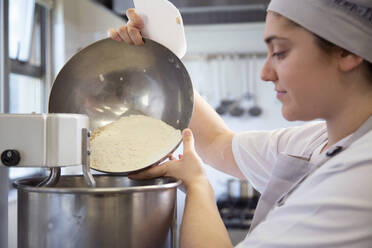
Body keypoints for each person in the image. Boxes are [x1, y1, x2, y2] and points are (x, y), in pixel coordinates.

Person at [108, 0, 372, 247]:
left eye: (279, 52)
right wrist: (162, 59)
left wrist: (197, 185)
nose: (265, 73)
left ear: (347, 52)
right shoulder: (315, 141)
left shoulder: (360, 177)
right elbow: (216, 142)